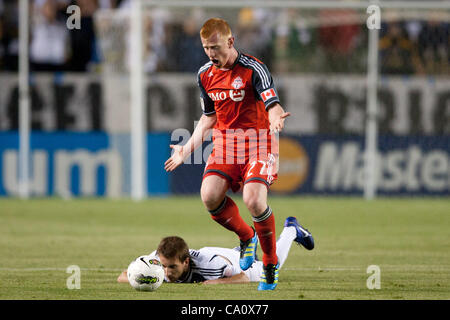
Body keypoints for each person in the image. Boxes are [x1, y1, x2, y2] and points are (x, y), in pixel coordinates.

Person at [164, 18, 305, 290]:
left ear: (230, 42)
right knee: (209, 196)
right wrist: (186, 149)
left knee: (253, 199)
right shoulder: (204, 74)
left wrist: (276, 117)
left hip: (258, 143)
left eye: (215, 47)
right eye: (206, 48)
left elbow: (272, 102)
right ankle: (246, 237)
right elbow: (208, 119)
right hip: (227, 145)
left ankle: (269, 263)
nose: (210, 53)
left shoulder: (254, 69)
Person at [117, 217, 314, 285]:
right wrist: (145, 280)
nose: (167, 272)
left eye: (172, 267)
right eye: (165, 267)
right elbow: (122, 276)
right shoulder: (155, 261)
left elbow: (243, 278)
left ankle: (291, 230)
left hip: (233, 263)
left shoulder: (210, 267)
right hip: (218, 253)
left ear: (185, 262)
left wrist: (217, 283)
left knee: (272, 267)